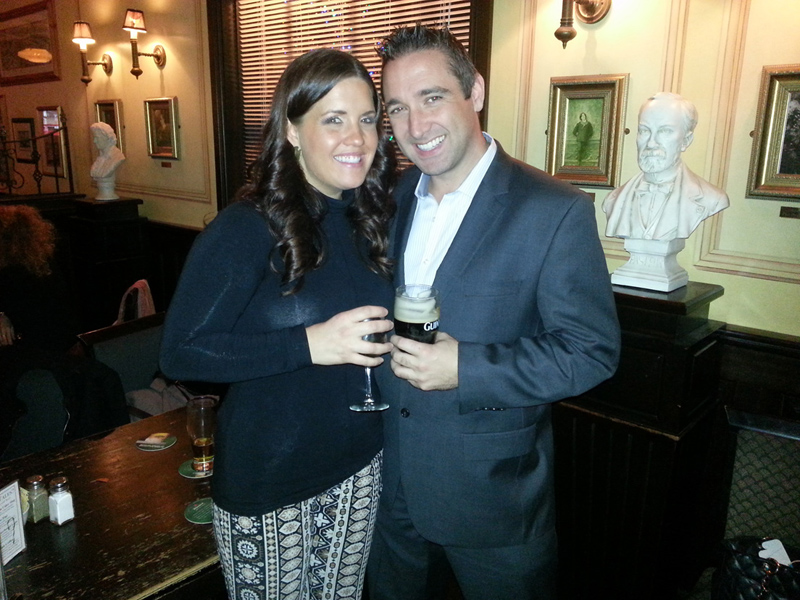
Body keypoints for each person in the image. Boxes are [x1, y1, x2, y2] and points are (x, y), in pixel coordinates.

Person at [366, 25, 621, 600]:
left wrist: (466, 368)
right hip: (390, 489)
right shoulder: (388, 199)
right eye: (398, 108)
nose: (415, 126)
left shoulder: (554, 210)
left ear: (475, 91)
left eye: (432, 97)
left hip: (494, 502)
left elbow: (592, 352)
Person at [159, 49, 396, 600]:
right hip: (269, 477)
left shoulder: (371, 220)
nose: (356, 138)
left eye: (366, 119)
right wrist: (308, 344)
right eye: (333, 119)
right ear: (292, 130)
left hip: (360, 466)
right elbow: (181, 352)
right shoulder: (246, 227)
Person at [602, 92, 729, 240]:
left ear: (686, 140)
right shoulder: (613, 199)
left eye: (664, 131)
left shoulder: (712, 198)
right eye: (644, 131)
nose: (651, 143)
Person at [89, 122, 125, 201]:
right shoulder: (100, 158)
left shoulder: (117, 157)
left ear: (108, 138)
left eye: (97, 137)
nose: (94, 141)